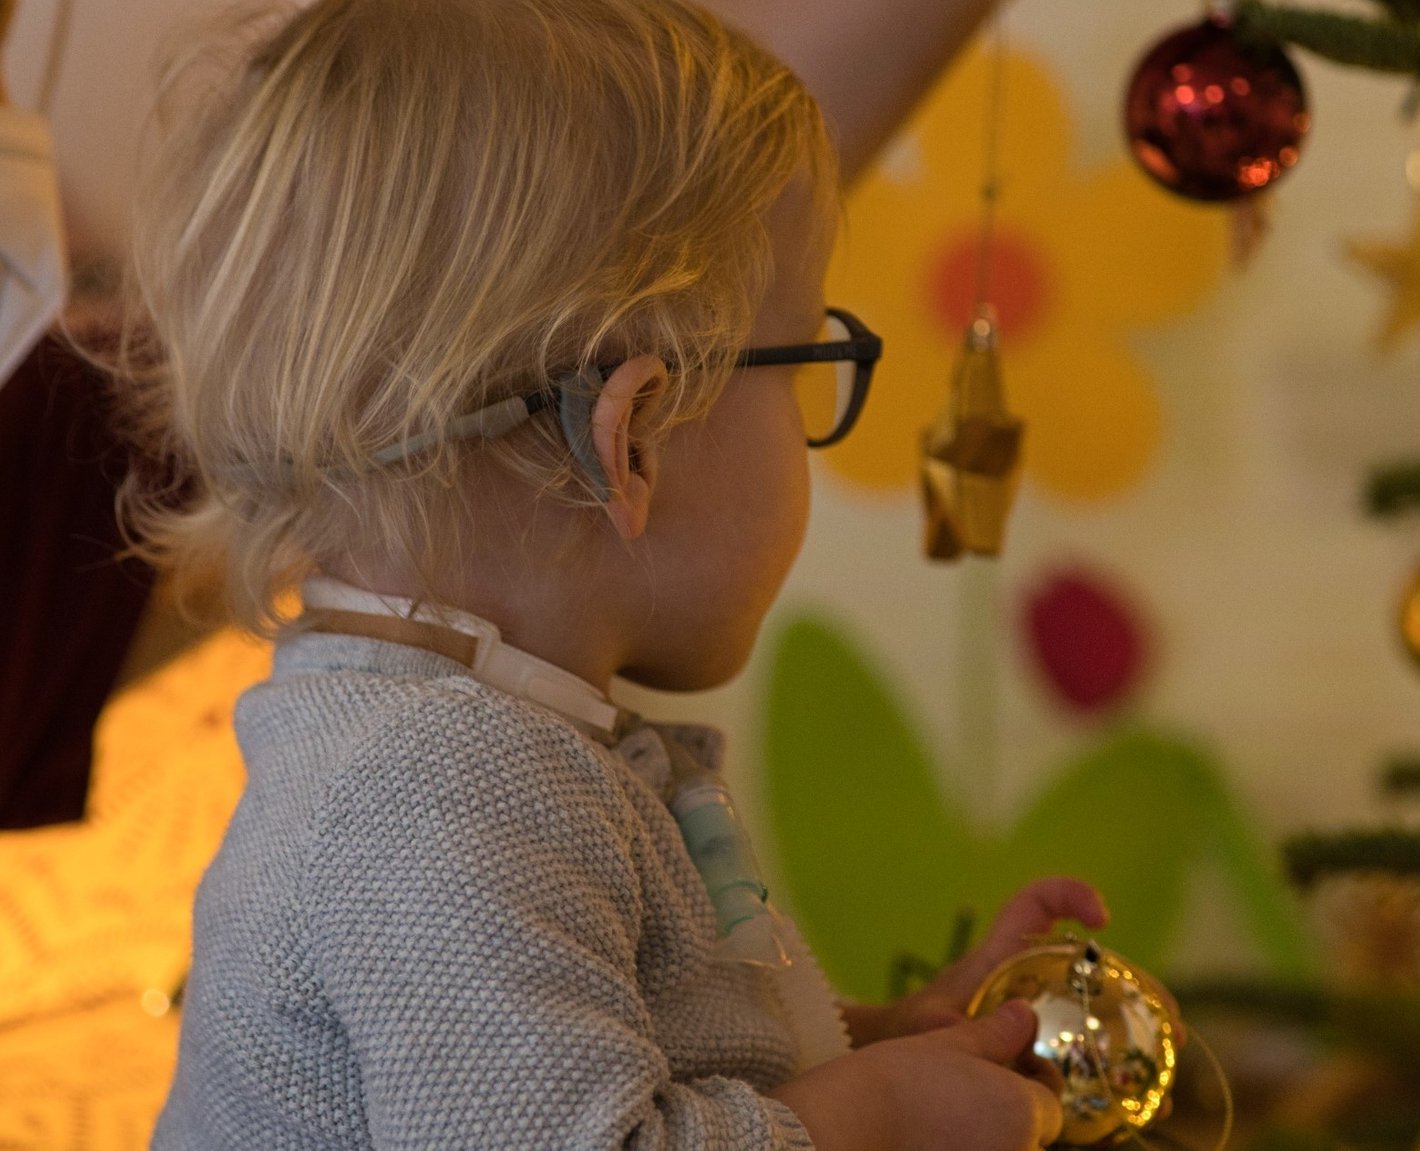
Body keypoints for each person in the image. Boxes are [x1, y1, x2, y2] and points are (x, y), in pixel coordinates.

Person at [120, 1, 1109, 1147]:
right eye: (804, 364)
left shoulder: (454, 743)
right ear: (630, 434)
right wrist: (874, 1120)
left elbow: (623, 1056)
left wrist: (895, 1042)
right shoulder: (435, 787)